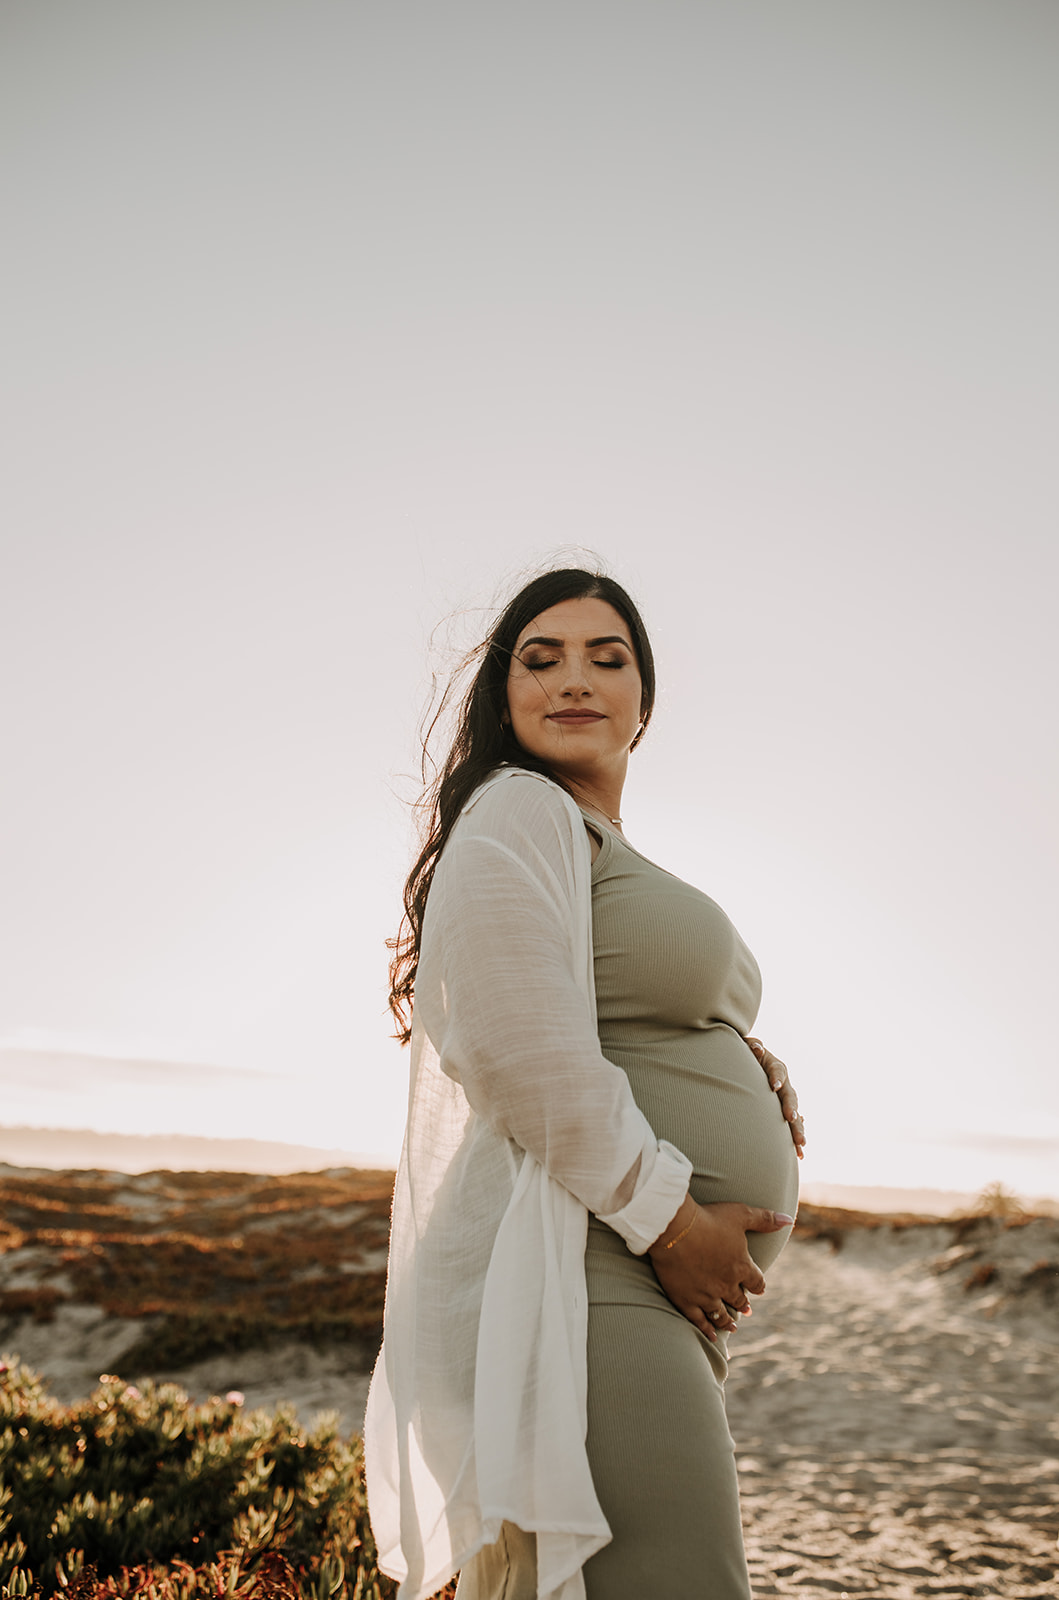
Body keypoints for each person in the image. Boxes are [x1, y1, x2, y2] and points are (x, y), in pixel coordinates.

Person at [365, 567, 805, 1600]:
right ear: (501, 695)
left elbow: (611, 1009)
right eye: (540, 657)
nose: (573, 679)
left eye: (607, 660)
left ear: (643, 704)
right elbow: (518, 1049)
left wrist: (749, 1061)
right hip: (596, 1267)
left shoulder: (587, 841)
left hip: (624, 1283)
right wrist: (673, 1223)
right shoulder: (518, 808)